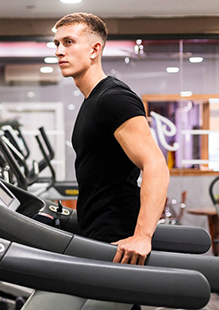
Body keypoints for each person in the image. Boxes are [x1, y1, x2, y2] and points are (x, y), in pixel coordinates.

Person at [53, 13, 170, 266]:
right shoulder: (91, 101)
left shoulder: (113, 98)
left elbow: (155, 165)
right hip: (98, 231)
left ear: (95, 49)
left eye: (69, 42)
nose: (59, 51)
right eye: (57, 44)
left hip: (115, 238)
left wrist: (142, 236)